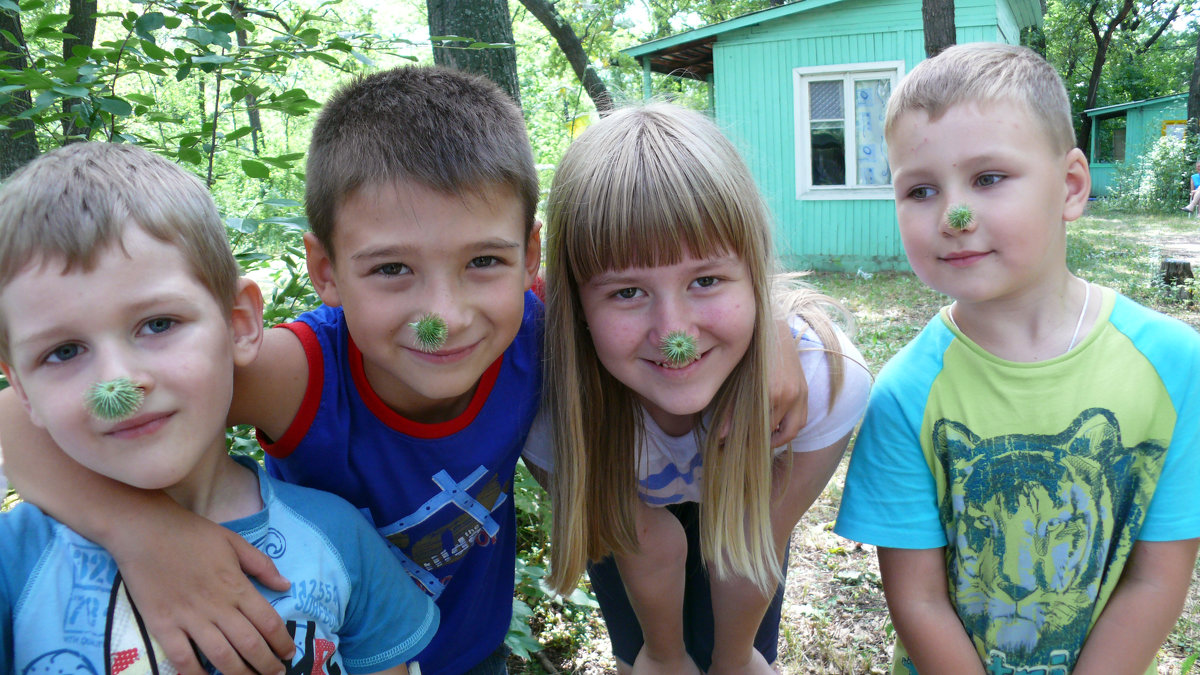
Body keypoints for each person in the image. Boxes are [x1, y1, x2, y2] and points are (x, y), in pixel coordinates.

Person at [0, 66, 542, 675]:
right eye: (392, 269)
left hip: (473, 652)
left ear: (531, 257)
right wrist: (143, 534)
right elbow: (15, 417)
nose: (444, 316)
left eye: (485, 260)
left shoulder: (540, 335)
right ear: (325, 269)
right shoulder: (293, 374)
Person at [833, 43, 1200, 675]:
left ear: (1071, 186)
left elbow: (1157, 577)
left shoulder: (1175, 367)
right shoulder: (903, 395)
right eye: (920, 190)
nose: (954, 215)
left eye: (989, 178)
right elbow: (917, 600)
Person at [522, 103, 872, 675]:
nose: (675, 334)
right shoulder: (545, 402)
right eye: (627, 293)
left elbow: (754, 539)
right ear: (575, 302)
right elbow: (639, 539)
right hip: (622, 503)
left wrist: (736, 660)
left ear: (755, 275)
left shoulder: (824, 380)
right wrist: (661, 656)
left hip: (744, 507)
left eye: (706, 280)